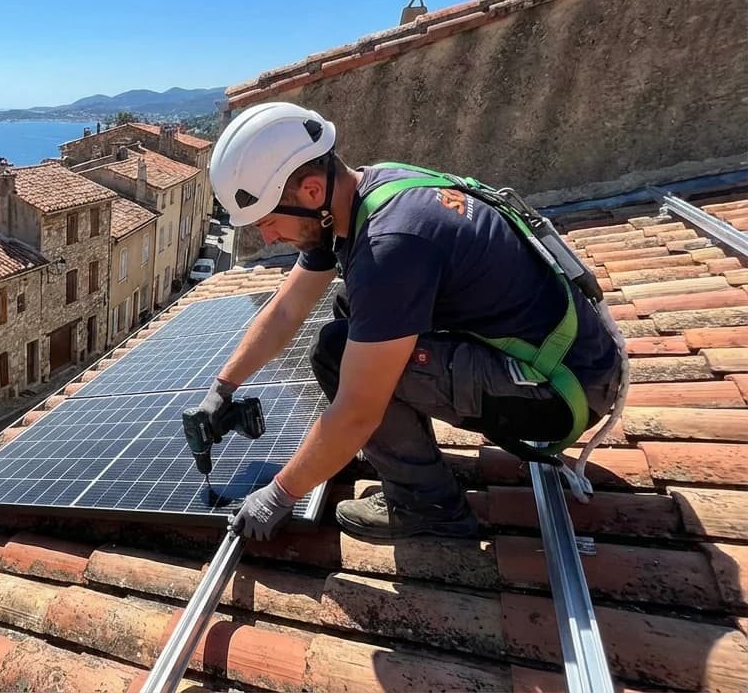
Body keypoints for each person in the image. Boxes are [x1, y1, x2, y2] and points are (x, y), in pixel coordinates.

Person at [196, 102, 623, 541]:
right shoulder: (364, 190)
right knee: (349, 310)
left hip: (559, 392)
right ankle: (404, 456)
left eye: (268, 222)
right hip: (568, 358)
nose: (267, 238)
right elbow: (287, 309)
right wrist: (223, 386)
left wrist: (279, 494)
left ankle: (428, 507)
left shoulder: (390, 246)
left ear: (309, 192)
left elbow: (358, 412)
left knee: (338, 355)